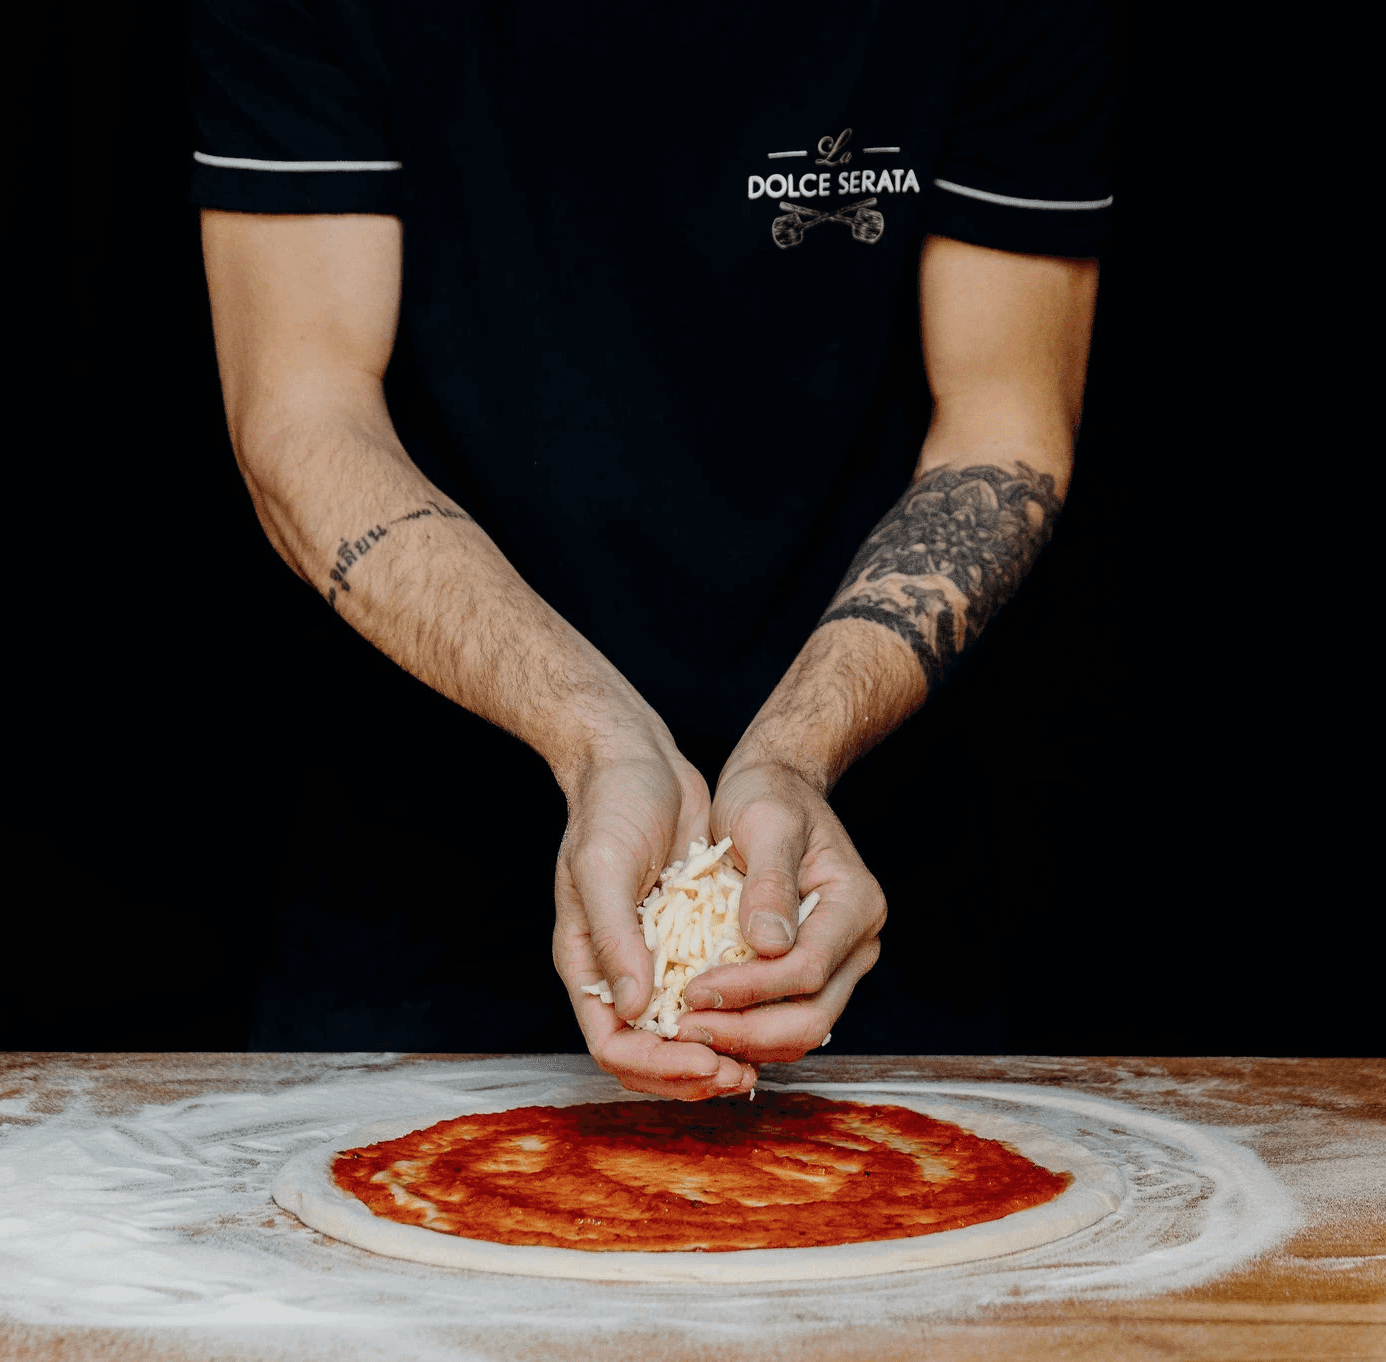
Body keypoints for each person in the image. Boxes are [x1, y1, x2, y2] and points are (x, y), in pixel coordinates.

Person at [188, 0, 1112, 1099]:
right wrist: (589, 735)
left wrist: (795, 753)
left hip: (840, 880)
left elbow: (1002, 428)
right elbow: (301, 413)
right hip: (419, 882)